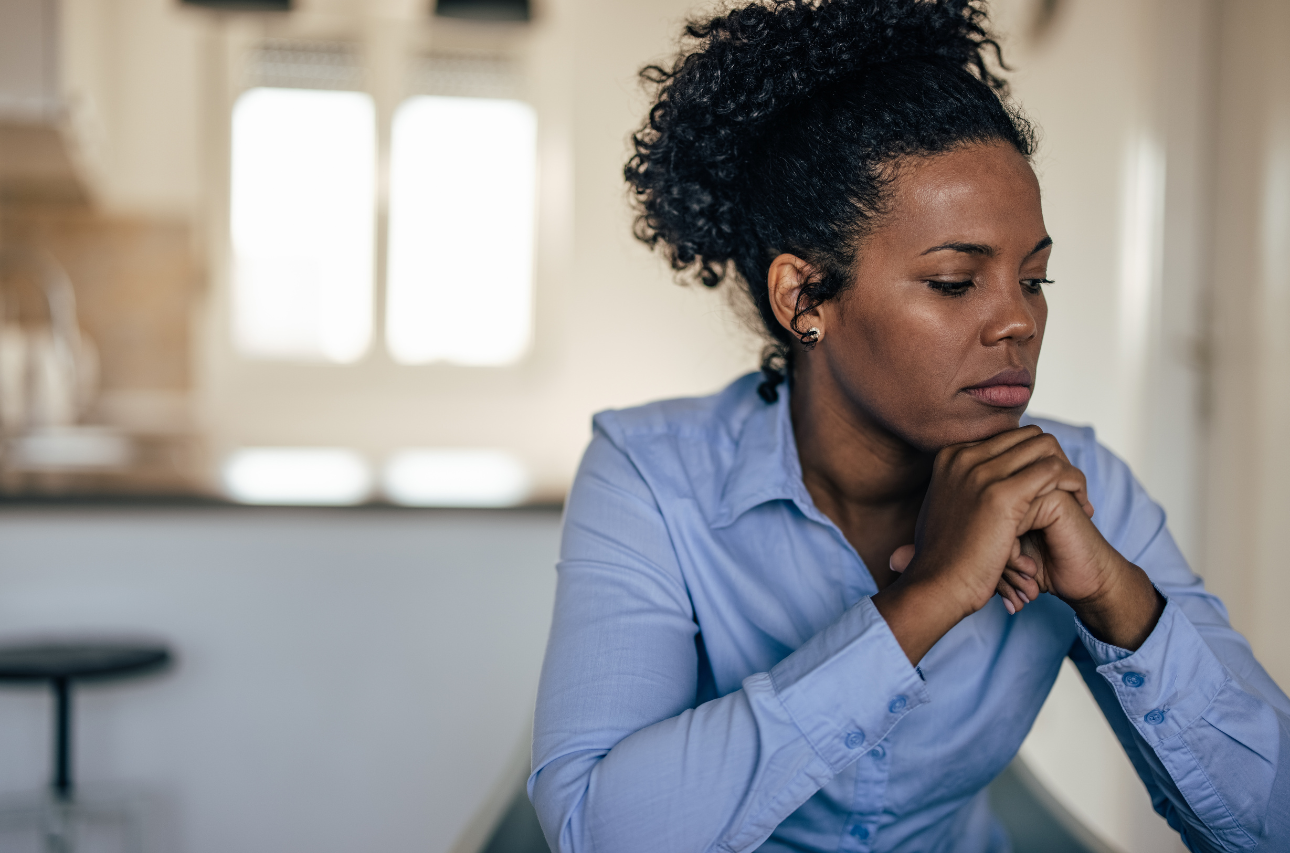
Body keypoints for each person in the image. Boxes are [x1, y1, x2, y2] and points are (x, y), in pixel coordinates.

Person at [528, 1, 1290, 850]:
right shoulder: (649, 474)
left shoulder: (1078, 486)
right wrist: (924, 599)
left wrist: (1120, 600)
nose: (1020, 322)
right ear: (804, 297)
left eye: (1034, 280)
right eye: (956, 282)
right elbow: (594, 829)